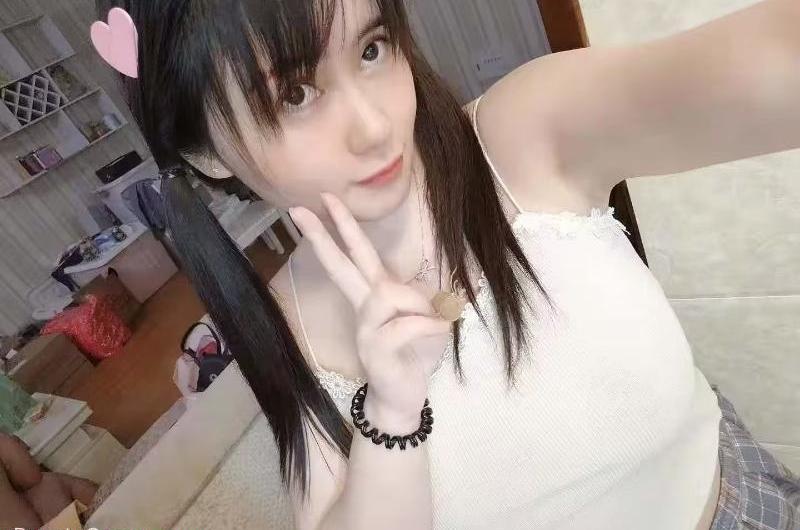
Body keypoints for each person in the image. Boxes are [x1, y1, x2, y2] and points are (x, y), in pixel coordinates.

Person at [94, 0, 800, 528]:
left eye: (372, 49)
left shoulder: (524, 135)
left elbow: (765, 66)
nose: (376, 125)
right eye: (295, 94)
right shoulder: (281, 328)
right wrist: (391, 411)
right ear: (206, 152)